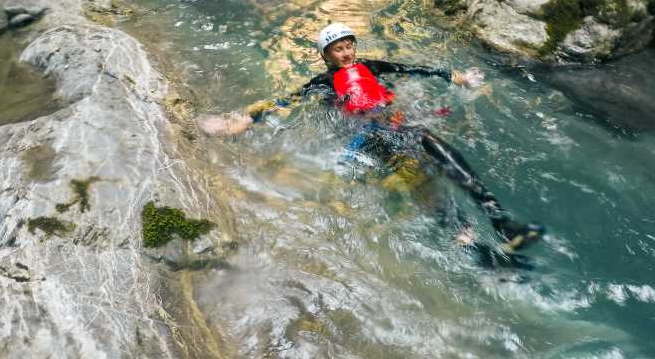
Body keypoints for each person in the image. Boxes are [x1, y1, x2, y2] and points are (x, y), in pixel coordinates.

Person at [200, 23, 545, 258]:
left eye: (348, 46)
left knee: (441, 151)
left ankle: (500, 221)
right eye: (337, 50)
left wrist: (456, 77)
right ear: (326, 56)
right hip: (370, 139)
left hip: (397, 124)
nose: (346, 53)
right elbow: (285, 102)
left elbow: (412, 69)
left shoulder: (371, 66)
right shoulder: (323, 83)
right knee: (420, 180)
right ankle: (467, 244)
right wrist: (244, 120)